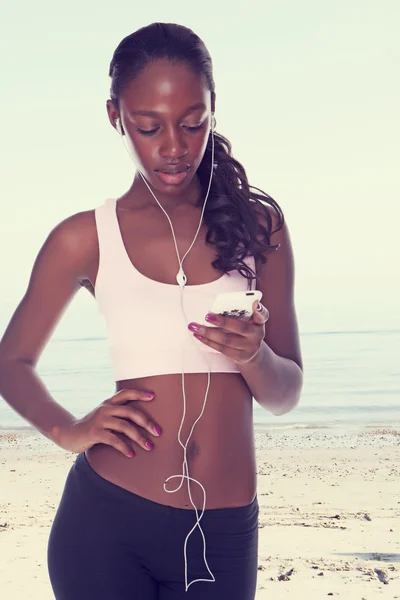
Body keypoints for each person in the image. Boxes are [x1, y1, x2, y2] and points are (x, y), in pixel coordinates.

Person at [0, 22, 303, 600]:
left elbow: (285, 394)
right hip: (105, 522)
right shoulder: (83, 238)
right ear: (116, 117)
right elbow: (11, 360)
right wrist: (68, 430)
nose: (174, 147)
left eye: (193, 123)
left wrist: (255, 356)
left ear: (213, 111)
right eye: (149, 126)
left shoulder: (261, 229)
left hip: (222, 531)